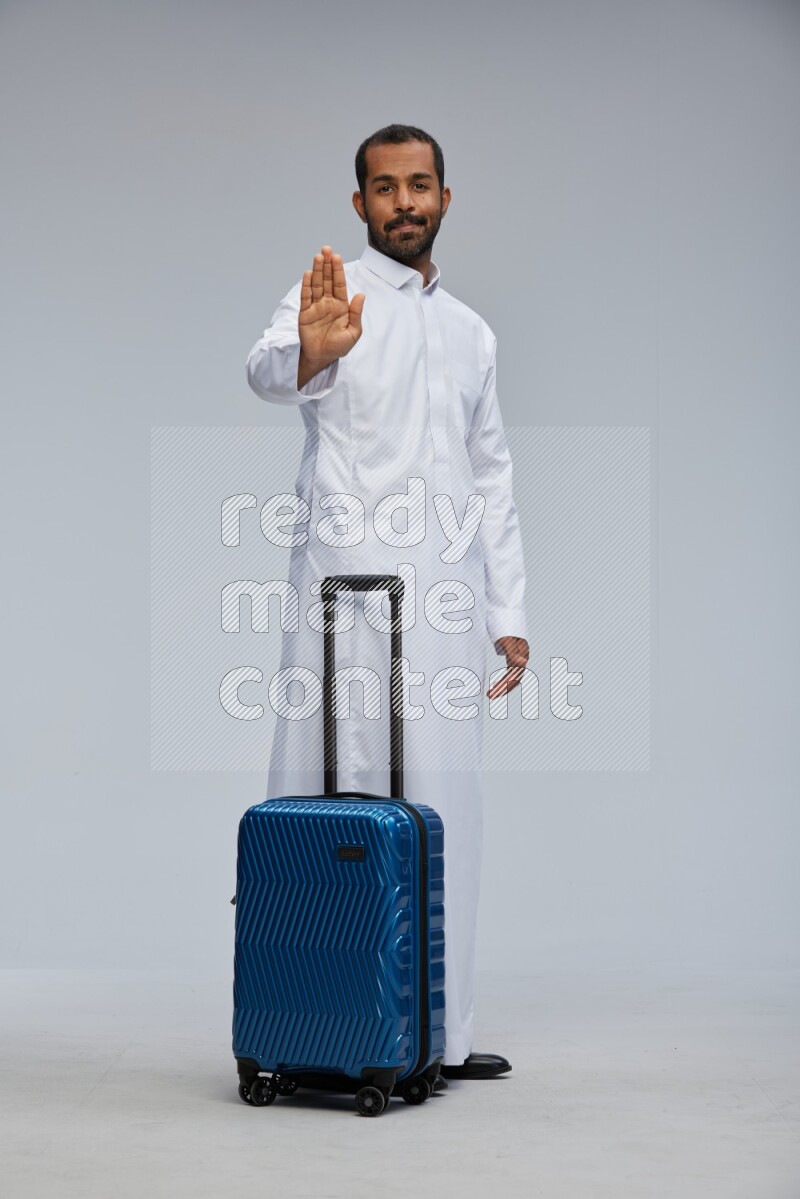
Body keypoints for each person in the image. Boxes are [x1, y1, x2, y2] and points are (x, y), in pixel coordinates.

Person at [246, 124, 529, 1081]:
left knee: (447, 802)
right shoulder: (332, 294)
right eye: (383, 188)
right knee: (338, 790)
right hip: (349, 588)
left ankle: (432, 1035)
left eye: (419, 185)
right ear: (359, 204)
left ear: (447, 197)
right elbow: (262, 370)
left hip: (446, 603)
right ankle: (322, 1031)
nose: (402, 202)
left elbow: (492, 477)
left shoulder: (472, 332)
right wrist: (308, 356)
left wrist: (509, 614)